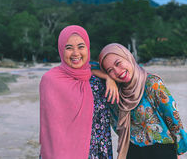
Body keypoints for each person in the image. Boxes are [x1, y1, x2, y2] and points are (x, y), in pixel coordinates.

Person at [98, 43, 187, 159]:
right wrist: (107, 79)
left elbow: (172, 115)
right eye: (110, 70)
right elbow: (86, 67)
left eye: (118, 63)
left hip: (162, 150)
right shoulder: (115, 93)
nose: (117, 71)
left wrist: (179, 149)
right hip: (133, 151)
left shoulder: (152, 84)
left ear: (128, 57)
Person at [39, 25, 113, 159]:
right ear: (61, 50)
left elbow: (103, 128)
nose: (75, 53)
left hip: (95, 153)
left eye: (81, 46)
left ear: (88, 48)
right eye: (68, 48)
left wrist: (109, 77)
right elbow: (50, 131)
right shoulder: (50, 81)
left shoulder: (98, 83)